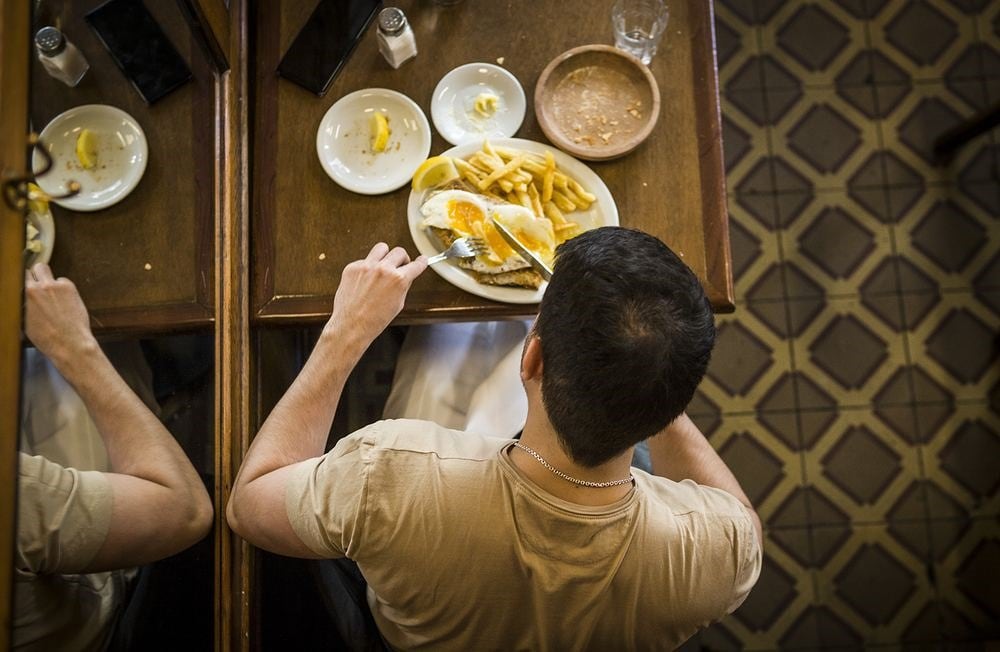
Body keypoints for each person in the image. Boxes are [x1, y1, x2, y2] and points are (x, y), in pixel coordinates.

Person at [227, 228, 763, 650]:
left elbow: (249, 505)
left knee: (438, 364)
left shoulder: (388, 471)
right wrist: (645, 380)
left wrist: (346, 331)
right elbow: (738, 520)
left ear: (530, 359)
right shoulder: (717, 552)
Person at [15, 263, 214, 651]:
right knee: (75, 361)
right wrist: (72, 346)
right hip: (99, 613)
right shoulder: (16, 502)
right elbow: (186, 511)